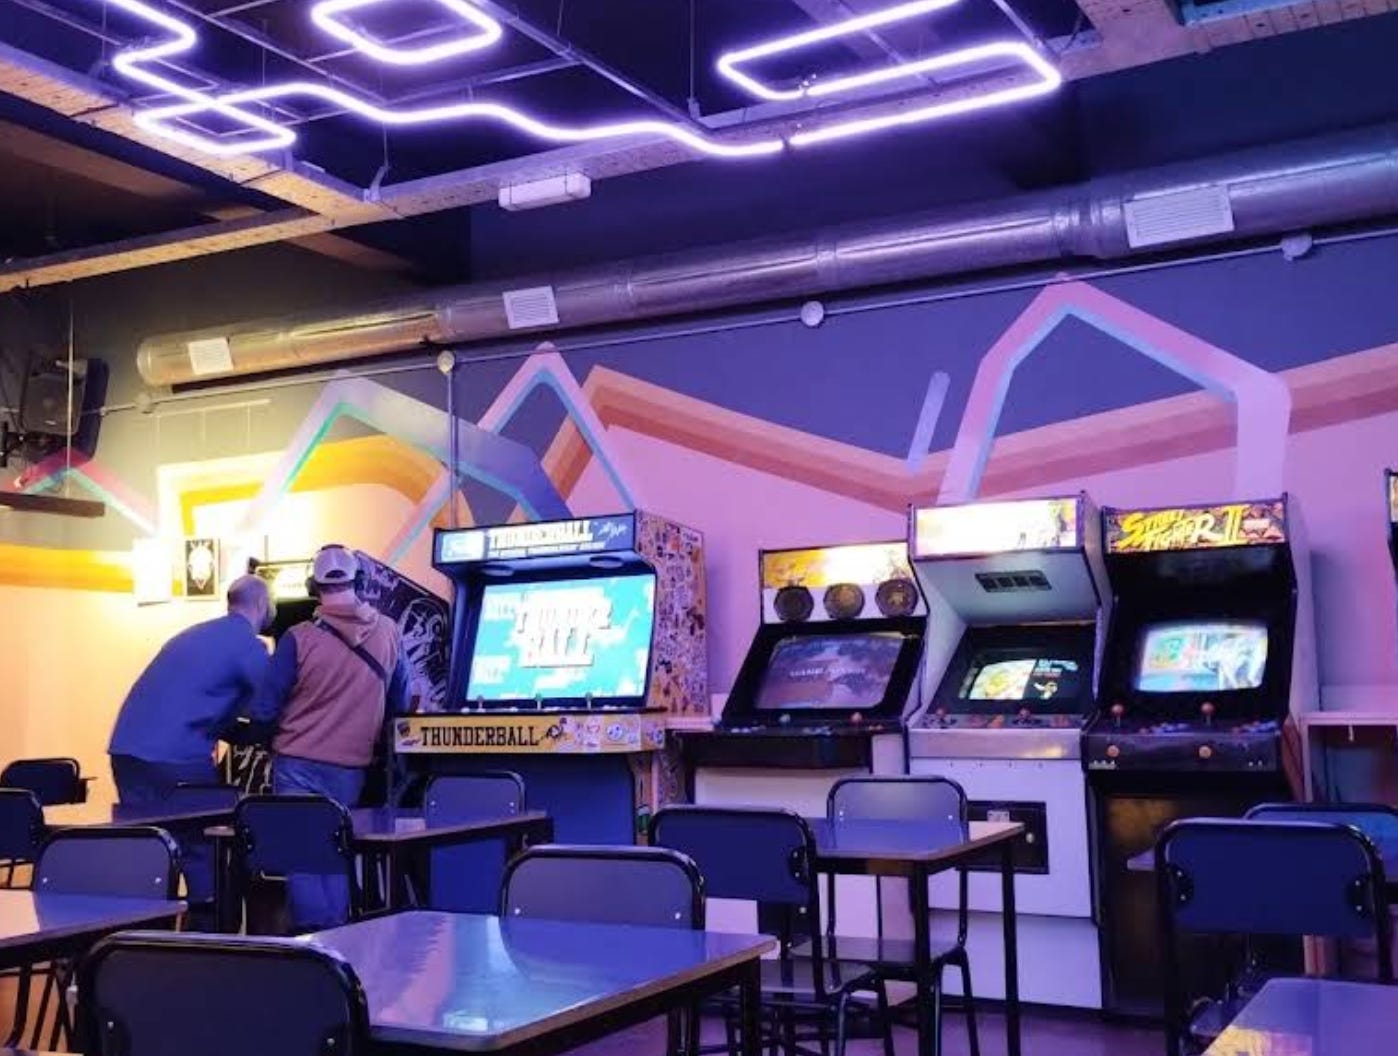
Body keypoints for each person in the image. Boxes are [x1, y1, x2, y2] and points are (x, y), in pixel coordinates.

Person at [250, 544, 409, 929]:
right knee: (336, 854)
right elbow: (399, 703)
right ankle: (337, 939)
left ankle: (310, 943)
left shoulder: (298, 638)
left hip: (297, 765)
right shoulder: (389, 632)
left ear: (313, 587)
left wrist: (259, 736)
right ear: (360, 582)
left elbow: (265, 709)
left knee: (303, 857)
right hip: (352, 768)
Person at [108, 573, 275, 904]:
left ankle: (144, 925)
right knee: (204, 845)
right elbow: (271, 704)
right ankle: (207, 923)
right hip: (176, 758)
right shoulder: (248, 646)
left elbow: (195, 702)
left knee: (149, 846)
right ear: (262, 604)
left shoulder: (191, 635)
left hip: (126, 752)